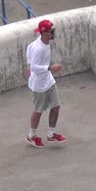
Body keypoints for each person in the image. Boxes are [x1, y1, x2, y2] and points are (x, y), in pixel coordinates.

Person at [26, 19, 66, 148]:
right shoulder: (38, 48)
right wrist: (50, 68)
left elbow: (29, 50)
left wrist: (30, 64)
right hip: (39, 85)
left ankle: (51, 134)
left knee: (56, 106)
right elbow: (34, 67)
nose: (54, 33)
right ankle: (31, 136)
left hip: (48, 81)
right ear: (44, 33)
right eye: (52, 31)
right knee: (38, 110)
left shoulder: (40, 44)